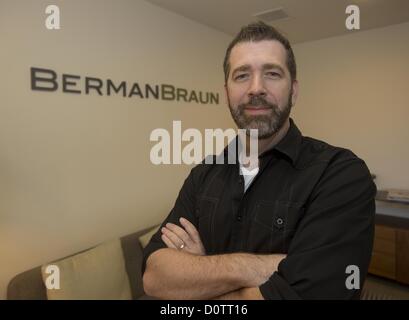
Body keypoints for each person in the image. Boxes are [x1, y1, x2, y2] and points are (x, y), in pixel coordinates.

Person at [142, 21, 376, 300]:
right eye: (242, 75)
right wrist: (274, 266)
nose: (256, 88)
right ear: (226, 93)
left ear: (294, 91)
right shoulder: (203, 175)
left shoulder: (339, 174)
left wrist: (199, 276)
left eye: (272, 73)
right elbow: (155, 276)